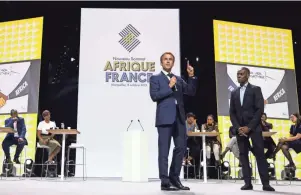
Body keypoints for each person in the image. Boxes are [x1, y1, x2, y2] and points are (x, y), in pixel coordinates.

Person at [149, 52, 197, 191]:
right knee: (164, 151)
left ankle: (174, 178)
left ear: (173, 62)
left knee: (181, 148)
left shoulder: (179, 79)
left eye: (170, 59)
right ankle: (164, 182)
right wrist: (169, 86)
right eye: (165, 59)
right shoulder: (155, 78)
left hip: (180, 118)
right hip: (164, 119)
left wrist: (192, 76)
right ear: (161, 62)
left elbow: (191, 91)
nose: (168, 61)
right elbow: (154, 96)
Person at [229, 67, 274, 191]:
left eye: (241, 74)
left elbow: (260, 110)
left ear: (247, 75)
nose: (239, 76)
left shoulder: (255, 89)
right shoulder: (234, 93)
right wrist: (238, 128)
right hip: (240, 130)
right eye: (238, 74)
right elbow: (232, 113)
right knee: (243, 155)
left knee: (259, 154)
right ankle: (247, 183)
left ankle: (266, 184)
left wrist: (249, 127)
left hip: (254, 128)